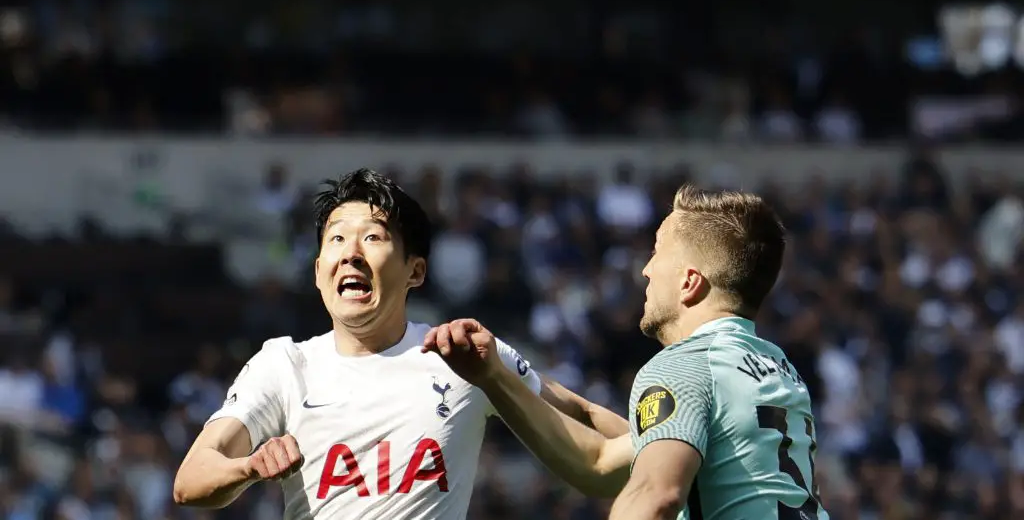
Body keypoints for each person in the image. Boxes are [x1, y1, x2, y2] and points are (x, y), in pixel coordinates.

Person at [172, 168, 627, 519]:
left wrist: (677, 451)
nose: (351, 252)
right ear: (317, 272)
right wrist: (248, 468)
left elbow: (584, 414)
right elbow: (191, 480)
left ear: (415, 271)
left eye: (372, 237)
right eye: (336, 240)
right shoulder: (284, 364)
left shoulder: (463, 357)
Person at [425, 186, 830, 520]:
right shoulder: (774, 367)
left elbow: (655, 495)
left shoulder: (685, 365)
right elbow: (601, 460)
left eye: (657, 253)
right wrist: (501, 373)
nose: (646, 270)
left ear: (690, 282)